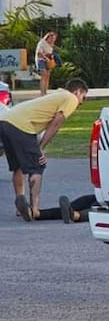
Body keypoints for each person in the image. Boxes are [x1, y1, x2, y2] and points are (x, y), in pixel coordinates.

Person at [3, 77, 88, 221]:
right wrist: (41, 148)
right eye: (83, 98)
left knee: (18, 166)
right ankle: (34, 209)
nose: (81, 102)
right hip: (22, 125)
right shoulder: (71, 98)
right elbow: (55, 124)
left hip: (5, 120)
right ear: (78, 91)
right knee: (38, 164)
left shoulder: (58, 94)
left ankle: (20, 203)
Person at [35, 31, 57, 96]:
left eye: (54, 39)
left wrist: (51, 59)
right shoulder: (42, 43)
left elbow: (50, 53)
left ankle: (45, 91)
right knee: (44, 74)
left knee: (48, 75)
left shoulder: (51, 45)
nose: (53, 40)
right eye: (51, 38)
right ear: (48, 37)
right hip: (41, 60)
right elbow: (39, 53)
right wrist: (46, 58)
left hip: (48, 61)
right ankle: (42, 92)